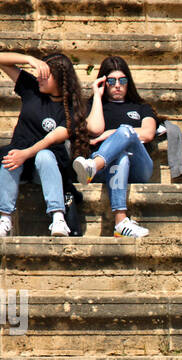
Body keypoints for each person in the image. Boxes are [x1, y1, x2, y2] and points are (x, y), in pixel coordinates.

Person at [0, 51, 89, 238]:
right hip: (20, 161)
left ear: (59, 79)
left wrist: (25, 154)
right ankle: (5, 218)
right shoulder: (31, 88)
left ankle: (58, 217)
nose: (39, 77)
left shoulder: (71, 108)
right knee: (11, 156)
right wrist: (29, 60)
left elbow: (51, 139)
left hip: (47, 166)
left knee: (43, 155)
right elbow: (0, 59)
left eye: (46, 74)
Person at [73, 56, 158, 238]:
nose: (117, 85)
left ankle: (92, 166)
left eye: (122, 80)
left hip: (140, 168)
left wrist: (110, 134)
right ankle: (121, 222)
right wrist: (96, 95)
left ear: (129, 82)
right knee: (121, 156)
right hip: (109, 170)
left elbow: (148, 133)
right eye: (111, 81)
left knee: (126, 131)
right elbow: (95, 128)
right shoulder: (92, 106)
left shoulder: (142, 107)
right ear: (104, 82)